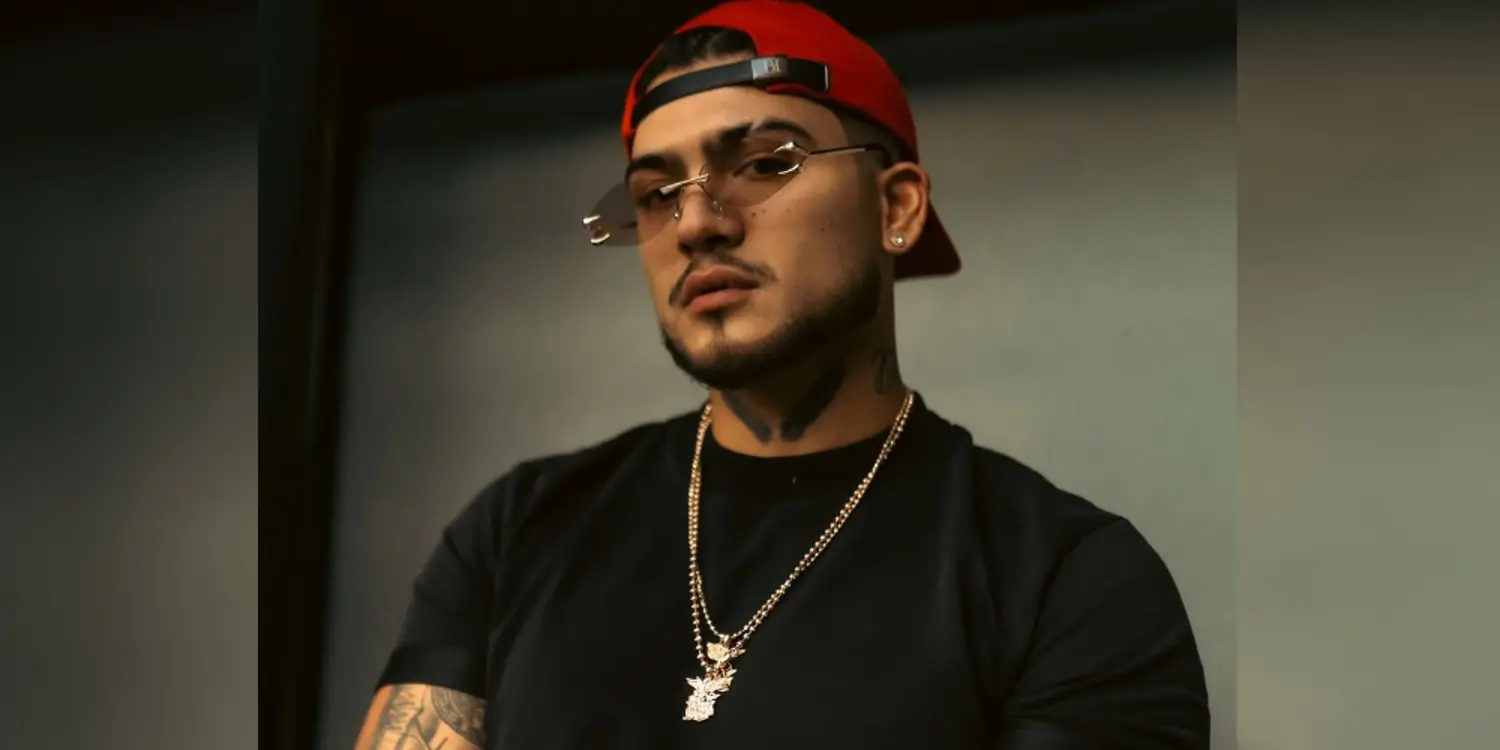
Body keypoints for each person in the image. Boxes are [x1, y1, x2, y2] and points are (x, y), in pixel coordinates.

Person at [353, 1, 1211, 748]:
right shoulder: (517, 531)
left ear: (896, 206)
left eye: (767, 163)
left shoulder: (1066, 578)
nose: (696, 223)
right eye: (655, 194)